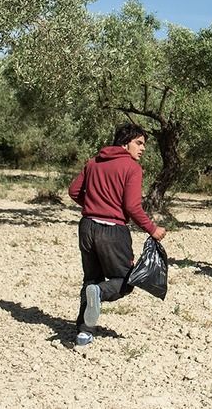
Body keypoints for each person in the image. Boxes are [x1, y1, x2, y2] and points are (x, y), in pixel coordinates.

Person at [68, 123, 166, 346]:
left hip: (87, 227)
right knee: (126, 280)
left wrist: (92, 205)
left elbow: (73, 191)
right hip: (112, 231)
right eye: (138, 143)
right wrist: (153, 229)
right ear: (125, 142)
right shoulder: (131, 168)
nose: (142, 149)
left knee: (91, 279)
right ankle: (99, 294)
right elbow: (132, 206)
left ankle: (84, 332)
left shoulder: (93, 162)